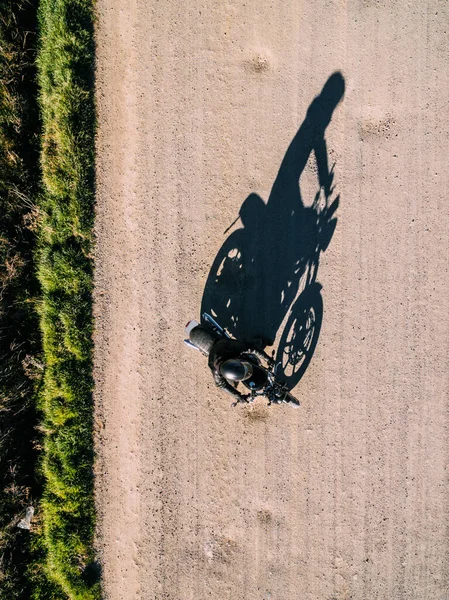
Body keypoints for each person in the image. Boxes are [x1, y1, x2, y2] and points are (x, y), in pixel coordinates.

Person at [208, 336, 274, 404]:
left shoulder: (230, 346)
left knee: (251, 347)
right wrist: (238, 396)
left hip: (224, 344)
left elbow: (250, 348)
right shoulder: (215, 370)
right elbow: (221, 384)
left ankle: (262, 340)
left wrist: (268, 359)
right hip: (215, 354)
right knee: (232, 384)